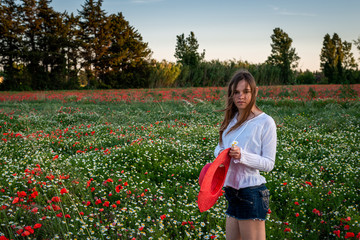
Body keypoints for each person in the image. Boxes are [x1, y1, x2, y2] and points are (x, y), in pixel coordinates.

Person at [214, 69, 277, 240]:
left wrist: (242, 155)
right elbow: (219, 147)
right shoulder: (231, 119)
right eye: (236, 92)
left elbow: (269, 163)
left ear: (255, 92)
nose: (240, 96)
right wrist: (221, 154)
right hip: (232, 192)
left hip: (251, 192)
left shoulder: (265, 122)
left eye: (246, 91)